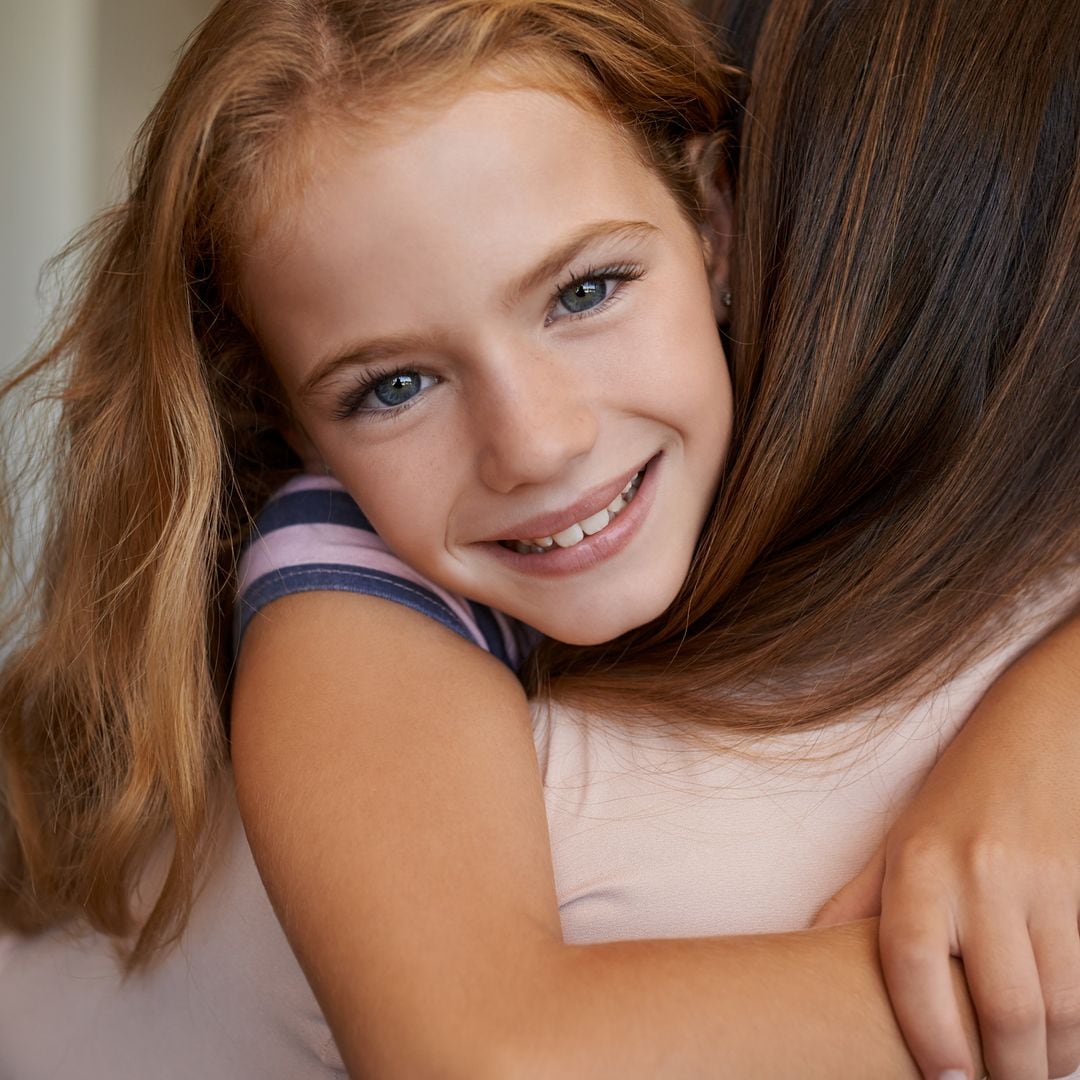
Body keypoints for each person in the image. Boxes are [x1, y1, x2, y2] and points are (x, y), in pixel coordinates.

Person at [0, 0, 1076, 1078]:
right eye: (397, 386)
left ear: (714, 223)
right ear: (284, 417)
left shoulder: (814, 463)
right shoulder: (339, 581)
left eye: (585, 292)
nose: (537, 444)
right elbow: (484, 1056)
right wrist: (1025, 977)